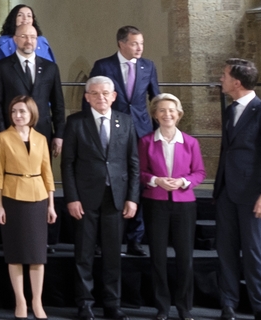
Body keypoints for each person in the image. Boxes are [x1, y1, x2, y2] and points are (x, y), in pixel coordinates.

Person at [61, 76, 140, 320]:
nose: (100, 97)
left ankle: (112, 303)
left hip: (116, 198)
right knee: (84, 254)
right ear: (87, 97)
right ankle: (85, 303)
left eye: (105, 93)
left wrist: (132, 198)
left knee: (113, 255)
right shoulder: (75, 122)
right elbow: (67, 164)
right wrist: (72, 198)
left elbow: (133, 163)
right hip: (85, 199)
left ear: (114, 96)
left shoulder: (125, 121)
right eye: (94, 93)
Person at [216, 59, 261, 320]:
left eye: (224, 75)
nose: (220, 79)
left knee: (252, 251)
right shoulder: (229, 111)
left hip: (253, 194)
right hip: (226, 193)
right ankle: (228, 304)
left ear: (237, 82)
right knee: (225, 251)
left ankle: (259, 306)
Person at [92, 26, 160, 251]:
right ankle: (104, 240)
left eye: (141, 43)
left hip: (141, 130)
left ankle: (135, 239)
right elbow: (91, 100)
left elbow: (156, 98)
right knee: (109, 180)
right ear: (121, 44)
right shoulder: (103, 66)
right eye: (134, 43)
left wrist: (158, 132)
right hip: (111, 130)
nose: (139, 48)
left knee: (136, 181)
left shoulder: (148, 66)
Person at [140, 94, 204, 320]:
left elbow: (199, 172)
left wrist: (183, 182)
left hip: (184, 205)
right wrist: (156, 180)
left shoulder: (191, 142)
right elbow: (140, 171)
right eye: (162, 110)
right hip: (155, 203)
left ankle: (184, 307)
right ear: (155, 115)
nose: (167, 114)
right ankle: (162, 307)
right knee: (158, 257)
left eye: (171, 110)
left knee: (185, 258)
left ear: (179, 115)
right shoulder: (146, 141)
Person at [0, 95, 58, 320]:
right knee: (16, 253)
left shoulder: (41, 138)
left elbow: (48, 173)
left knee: (37, 255)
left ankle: (37, 301)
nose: (17, 115)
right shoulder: (2, 138)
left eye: (22, 111)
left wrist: (51, 205)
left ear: (32, 114)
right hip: (12, 197)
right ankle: (20, 301)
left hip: (38, 198)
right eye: (14, 111)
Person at [0, 25, 66, 152]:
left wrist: (59, 134)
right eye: (24, 36)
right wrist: (1, 133)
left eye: (33, 37)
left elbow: (58, 104)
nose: (29, 41)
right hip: (11, 132)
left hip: (43, 132)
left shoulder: (50, 68)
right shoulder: (1, 68)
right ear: (15, 39)